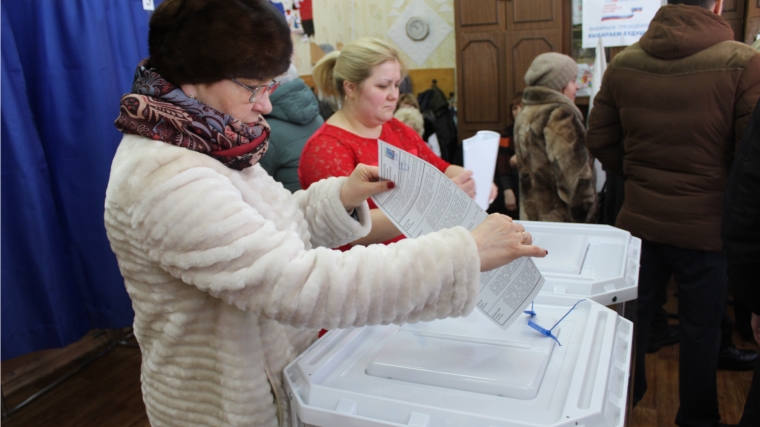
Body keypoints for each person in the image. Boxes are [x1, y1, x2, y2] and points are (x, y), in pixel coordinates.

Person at [104, 2, 546, 426]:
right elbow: (295, 283)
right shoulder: (165, 174)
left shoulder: (209, 138)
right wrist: (462, 253)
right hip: (227, 404)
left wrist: (340, 198)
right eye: (252, 87)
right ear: (193, 77)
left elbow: (266, 225)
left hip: (279, 373)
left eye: (269, 87)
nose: (266, 106)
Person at [586, 0, 760, 425]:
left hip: (639, 220)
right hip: (707, 226)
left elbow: (599, 138)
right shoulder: (743, 62)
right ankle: (698, 418)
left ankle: (623, 405)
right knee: (701, 329)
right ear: (716, 5)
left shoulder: (624, 63)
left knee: (632, 322)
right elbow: (750, 159)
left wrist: (639, 174)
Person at [299, 37, 496, 248]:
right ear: (350, 88)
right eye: (383, 86)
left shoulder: (395, 128)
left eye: (396, 85)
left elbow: (441, 168)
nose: (394, 95)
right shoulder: (325, 148)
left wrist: (476, 182)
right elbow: (349, 228)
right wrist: (434, 204)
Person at [513, 52, 597, 223]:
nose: (577, 87)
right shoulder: (560, 114)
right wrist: (588, 219)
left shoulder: (526, 112)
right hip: (563, 223)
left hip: (532, 219)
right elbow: (575, 181)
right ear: (559, 85)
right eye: (573, 81)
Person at [723, 97, 760, 427]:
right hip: (702, 213)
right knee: (702, 325)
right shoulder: (741, 66)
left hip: (645, 209)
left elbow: (748, 190)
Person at [259, 64, 323, 192]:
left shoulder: (266, 131)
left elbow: (257, 186)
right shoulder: (317, 116)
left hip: (286, 204)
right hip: (316, 199)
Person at [490, 92, 523, 217]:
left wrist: (523, 157)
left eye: (522, 106)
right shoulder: (506, 133)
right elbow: (502, 166)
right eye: (514, 108)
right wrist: (508, 191)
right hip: (513, 185)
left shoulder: (537, 132)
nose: (518, 111)